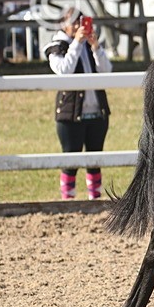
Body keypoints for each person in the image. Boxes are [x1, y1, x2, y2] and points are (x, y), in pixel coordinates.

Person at [45, 11, 112, 199]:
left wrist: (95, 46)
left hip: (97, 111)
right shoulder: (58, 46)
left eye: (81, 22)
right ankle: (68, 201)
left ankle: (95, 198)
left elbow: (107, 71)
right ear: (63, 25)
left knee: (95, 159)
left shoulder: (89, 46)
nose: (78, 27)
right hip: (70, 113)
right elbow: (64, 70)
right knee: (70, 160)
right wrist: (76, 43)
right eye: (74, 23)